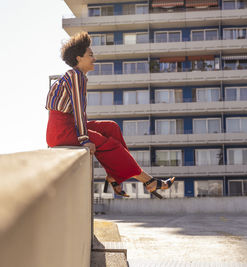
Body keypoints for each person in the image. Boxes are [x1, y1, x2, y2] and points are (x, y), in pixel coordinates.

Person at [45, 32, 174, 199]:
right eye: (90, 55)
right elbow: (78, 109)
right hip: (62, 132)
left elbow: (79, 113)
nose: (94, 59)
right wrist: (85, 139)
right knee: (109, 144)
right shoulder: (75, 76)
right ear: (79, 58)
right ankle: (149, 181)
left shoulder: (77, 76)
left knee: (110, 127)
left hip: (68, 127)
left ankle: (114, 175)